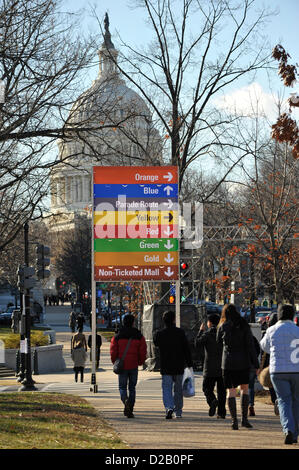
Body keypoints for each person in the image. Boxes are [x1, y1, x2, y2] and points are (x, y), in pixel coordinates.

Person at [260, 304, 299, 445]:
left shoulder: (271, 330)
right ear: (293, 315)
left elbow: (264, 346)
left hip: (278, 370)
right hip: (297, 370)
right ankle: (295, 433)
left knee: (283, 401)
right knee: (296, 401)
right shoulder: (297, 330)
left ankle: (288, 429)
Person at [216, 304, 260, 430]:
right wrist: (255, 364)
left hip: (228, 362)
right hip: (243, 362)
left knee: (231, 391)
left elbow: (218, 342)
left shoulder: (222, 326)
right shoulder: (244, 325)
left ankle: (234, 421)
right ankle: (244, 419)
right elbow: (250, 345)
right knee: (244, 389)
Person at [153, 310, 193, 419]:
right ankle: (178, 411)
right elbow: (186, 349)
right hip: (179, 365)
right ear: (174, 319)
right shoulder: (180, 333)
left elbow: (155, 342)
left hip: (166, 365)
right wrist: (189, 363)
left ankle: (169, 407)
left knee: (167, 387)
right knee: (178, 389)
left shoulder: (160, 334)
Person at [110, 314, 147, 418]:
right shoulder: (139, 335)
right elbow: (143, 350)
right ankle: (130, 407)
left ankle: (125, 400)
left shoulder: (117, 336)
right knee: (132, 387)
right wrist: (140, 361)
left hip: (122, 365)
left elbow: (113, 351)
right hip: (133, 364)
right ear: (133, 323)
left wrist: (115, 362)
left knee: (122, 387)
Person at [195, 314, 226, 419]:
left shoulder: (207, 334)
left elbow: (197, 343)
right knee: (222, 391)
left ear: (210, 323)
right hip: (222, 366)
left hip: (209, 367)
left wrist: (200, 331)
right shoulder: (223, 334)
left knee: (207, 388)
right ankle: (221, 413)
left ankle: (212, 401)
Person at [248, 335, 261, 416]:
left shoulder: (236, 336)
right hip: (251, 364)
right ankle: (251, 404)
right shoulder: (252, 338)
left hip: (239, 364)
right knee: (250, 387)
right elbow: (258, 350)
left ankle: (243, 406)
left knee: (241, 387)